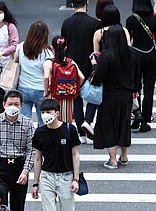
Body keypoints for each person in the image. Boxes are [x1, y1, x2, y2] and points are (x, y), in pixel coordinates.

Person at [91, 24, 140, 169]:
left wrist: (94, 65)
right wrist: (135, 89)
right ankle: (124, 156)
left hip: (109, 95)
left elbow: (98, 77)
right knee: (123, 124)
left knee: (109, 125)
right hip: (126, 95)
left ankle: (112, 160)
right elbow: (137, 75)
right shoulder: (132, 53)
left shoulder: (106, 56)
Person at [31, 99, 81, 211]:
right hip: (47, 177)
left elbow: (75, 154)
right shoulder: (40, 132)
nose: (45, 115)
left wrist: (75, 179)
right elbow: (38, 158)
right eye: (43, 112)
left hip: (66, 176)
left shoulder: (69, 129)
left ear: (57, 113)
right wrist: (35, 183)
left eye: (49, 112)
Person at [61, 0, 100, 144]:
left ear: (72, 4)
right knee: (94, 95)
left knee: (76, 99)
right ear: (87, 3)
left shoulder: (67, 23)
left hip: (72, 66)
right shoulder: (94, 23)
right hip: (90, 65)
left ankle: (79, 131)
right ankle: (88, 121)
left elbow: (64, 45)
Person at [126, 0, 156, 133]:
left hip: (136, 55)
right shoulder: (153, 19)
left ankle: (137, 114)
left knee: (135, 86)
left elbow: (128, 41)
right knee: (149, 88)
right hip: (150, 55)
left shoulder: (131, 20)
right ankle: (146, 119)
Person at [14, 20, 53, 126]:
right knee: (43, 121)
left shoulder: (21, 47)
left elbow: (15, 63)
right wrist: (47, 92)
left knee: (24, 121)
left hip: (23, 88)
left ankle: (26, 141)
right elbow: (47, 75)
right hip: (40, 89)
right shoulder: (46, 53)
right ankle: (42, 140)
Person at [43, 36, 85, 123]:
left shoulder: (49, 62)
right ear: (66, 48)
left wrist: (46, 91)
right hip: (68, 96)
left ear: (52, 47)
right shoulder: (71, 62)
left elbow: (46, 77)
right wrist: (75, 88)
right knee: (66, 122)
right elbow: (82, 77)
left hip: (54, 95)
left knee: (52, 121)